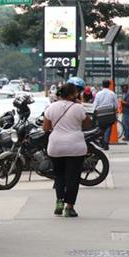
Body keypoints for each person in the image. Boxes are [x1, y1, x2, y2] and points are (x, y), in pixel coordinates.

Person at [43, 82, 92, 217]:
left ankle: (59, 201)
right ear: (72, 94)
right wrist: (79, 106)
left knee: (59, 175)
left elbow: (45, 128)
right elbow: (88, 123)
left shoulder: (51, 107)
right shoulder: (78, 108)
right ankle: (69, 207)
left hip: (56, 146)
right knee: (73, 177)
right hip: (75, 146)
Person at [93, 80, 118, 149]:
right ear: (109, 85)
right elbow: (116, 105)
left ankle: (102, 141)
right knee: (108, 128)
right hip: (110, 113)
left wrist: (94, 112)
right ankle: (106, 142)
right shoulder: (112, 93)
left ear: (102, 85)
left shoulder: (98, 94)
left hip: (100, 114)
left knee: (101, 128)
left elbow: (95, 104)